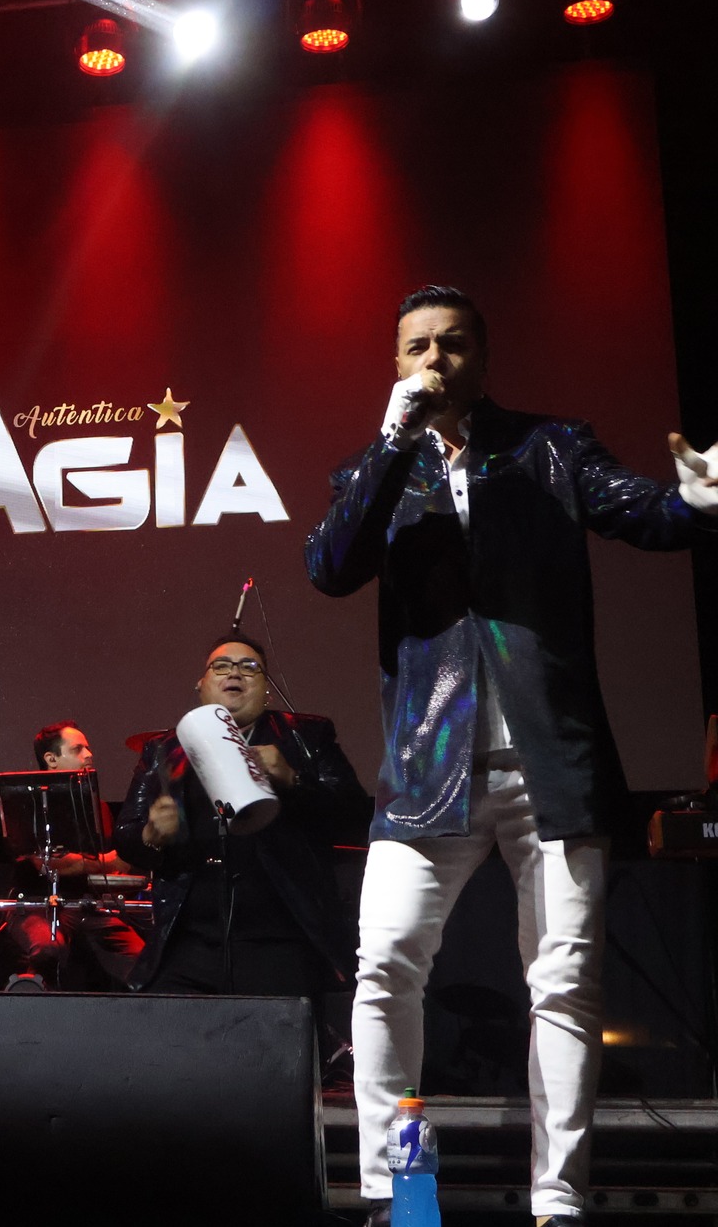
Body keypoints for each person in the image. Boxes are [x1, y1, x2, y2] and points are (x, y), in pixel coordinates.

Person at [305, 284, 718, 1227]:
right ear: (396, 363)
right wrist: (391, 442)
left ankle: (557, 1197)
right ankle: (390, 1189)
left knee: (565, 983)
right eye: (416, 347)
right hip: (426, 770)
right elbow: (331, 566)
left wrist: (697, 503)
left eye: (453, 346)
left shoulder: (552, 447)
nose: (435, 362)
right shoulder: (379, 469)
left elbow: (641, 511)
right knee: (383, 968)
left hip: (550, 769)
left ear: (483, 359)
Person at [113, 635, 369, 1011]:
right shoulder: (164, 749)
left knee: (272, 1056)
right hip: (191, 942)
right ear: (201, 686)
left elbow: (354, 817)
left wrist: (293, 779)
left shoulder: (305, 737)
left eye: (249, 668)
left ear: (266, 690)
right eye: (222, 666)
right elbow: (127, 835)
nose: (235, 674)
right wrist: (151, 835)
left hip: (279, 941)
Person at [0, 722, 143, 992]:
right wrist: (107, 861)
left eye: (88, 747)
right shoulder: (26, 802)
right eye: (78, 748)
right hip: (35, 904)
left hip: (84, 904)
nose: (89, 754)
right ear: (51, 759)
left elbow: (107, 869)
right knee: (48, 948)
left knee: (139, 957)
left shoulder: (99, 807)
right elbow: (46, 864)